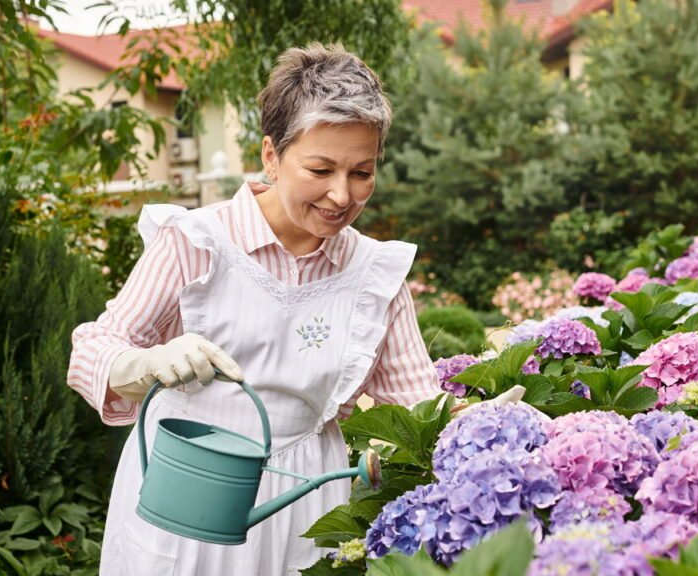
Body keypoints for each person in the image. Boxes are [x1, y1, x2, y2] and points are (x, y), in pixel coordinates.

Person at [68, 43, 475, 575]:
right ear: (270, 155)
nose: (341, 195)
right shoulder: (198, 242)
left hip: (307, 503)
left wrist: (492, 418)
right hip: (188, 489)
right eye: (320, 168)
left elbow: (421, 403)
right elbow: (93, 349)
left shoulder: (374, 274)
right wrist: (146, 363)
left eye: (361, 172)